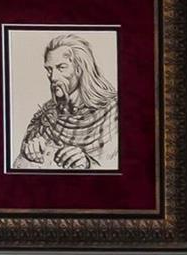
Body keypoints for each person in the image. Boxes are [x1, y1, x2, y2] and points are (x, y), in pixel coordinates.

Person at [15, 33, 120, 170]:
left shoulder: (114, 111)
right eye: (49, 69)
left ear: (80, 69)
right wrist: (31, 149)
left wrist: (88, 163)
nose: (53, 77)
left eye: (61, 67)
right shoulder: (46, 114)